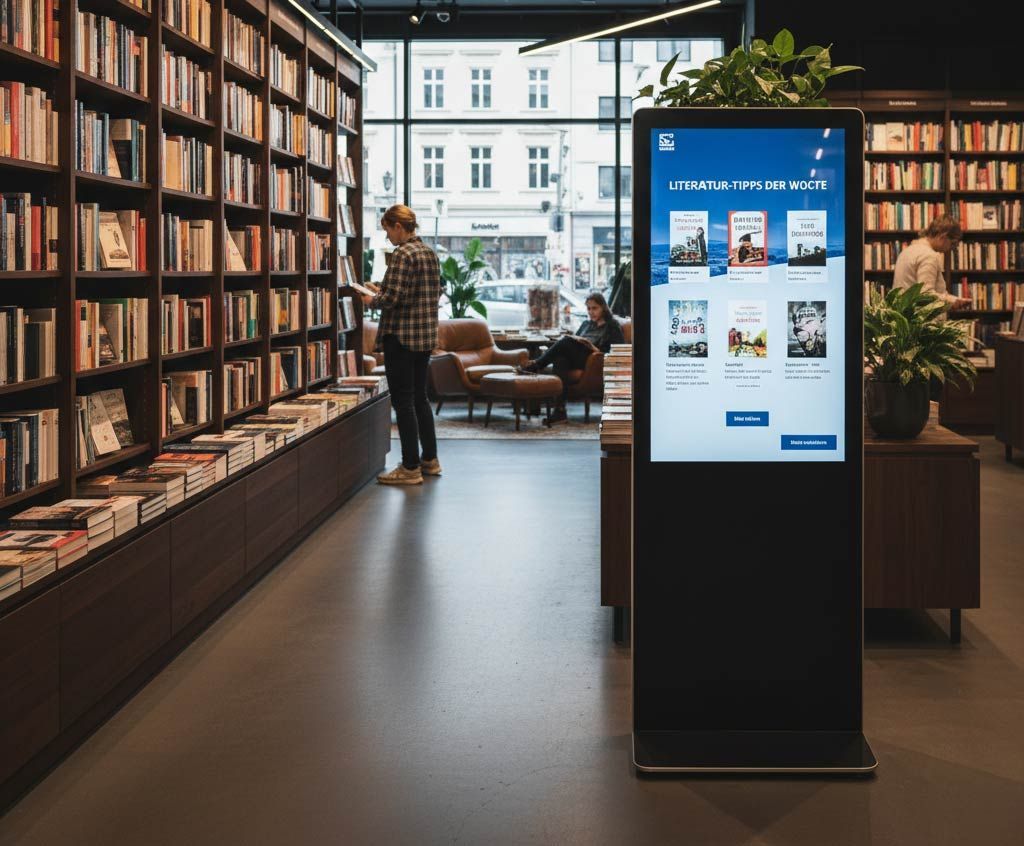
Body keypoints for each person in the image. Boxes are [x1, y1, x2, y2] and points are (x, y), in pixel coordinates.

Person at [360, 204, 442, 485]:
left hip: (402, 338)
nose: (388, 238)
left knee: (403, 402)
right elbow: (420, 291)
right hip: (424, 338)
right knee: (420, 399)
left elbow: (392, 298)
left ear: (398, 226)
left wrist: (372, 299)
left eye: (387, 231)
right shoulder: (429, 253)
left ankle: (409, 468)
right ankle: (429, 460)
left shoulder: (403, 254)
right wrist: (381, 290)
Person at [518, 292, 625, 424]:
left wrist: (596, 350)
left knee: (565, 341)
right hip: (578, 359)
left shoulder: (612, 325)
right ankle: (560, 411)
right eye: (589, 308)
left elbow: (618, 351)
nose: (591, 312)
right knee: (560, 359)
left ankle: (536, 365)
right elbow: (576, 340)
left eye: (594, 308)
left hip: (593, 362)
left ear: (603, 307)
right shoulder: (587, 324)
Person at [893, 215, 971, 309]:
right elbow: (925, 295)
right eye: (953, 243)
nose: (951, 248)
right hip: (918, 319)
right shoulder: (928, 256)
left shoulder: (907, 251)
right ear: (943, 237)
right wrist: (952, 301)